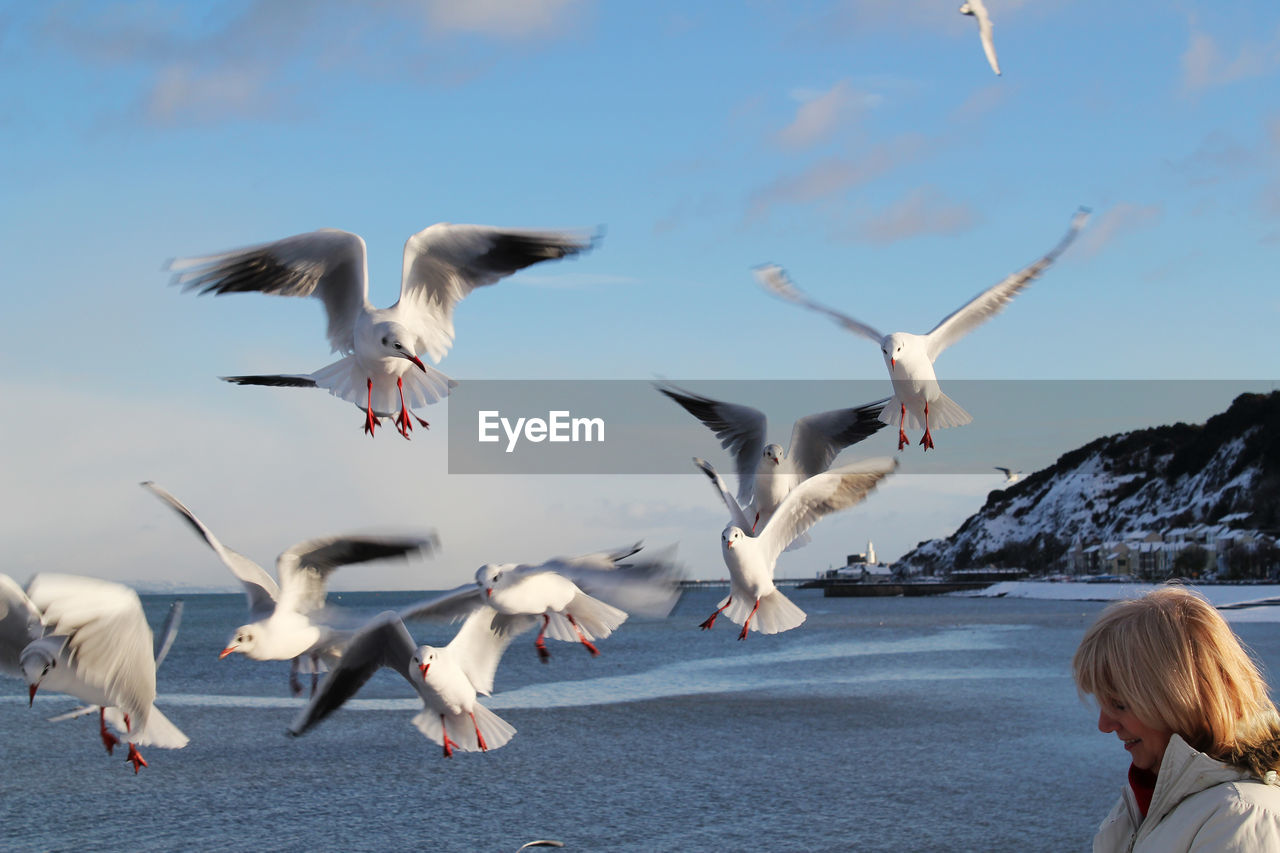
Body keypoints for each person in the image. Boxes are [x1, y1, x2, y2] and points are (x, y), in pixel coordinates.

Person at [1073, 586, 1280, 851]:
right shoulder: (1148, 803)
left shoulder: (1240, 817)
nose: (1105, 725)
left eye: (1120, 705)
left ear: (1180, 700)